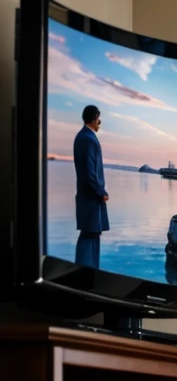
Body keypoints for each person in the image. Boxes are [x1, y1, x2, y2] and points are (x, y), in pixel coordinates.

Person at [73, 105, 109, 268]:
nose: (99, 122)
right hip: (91, 197)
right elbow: (90, 171)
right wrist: (101, 192)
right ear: (95, 118)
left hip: (86, 195)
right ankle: (84, 273)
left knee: (92, 234)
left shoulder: (81, 137)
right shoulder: (88, 139)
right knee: (89, 235)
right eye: (99, 119)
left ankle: (90, 271)